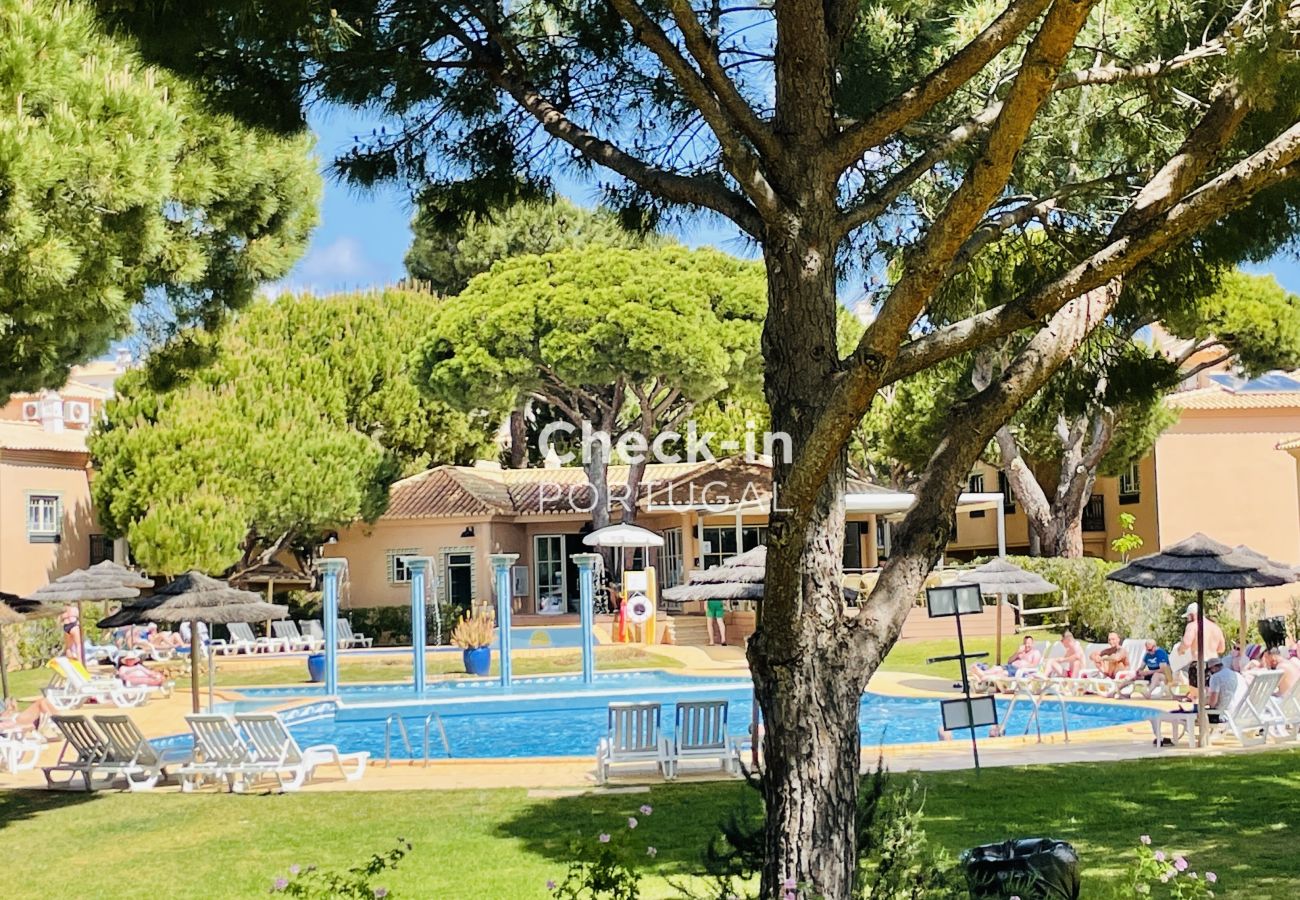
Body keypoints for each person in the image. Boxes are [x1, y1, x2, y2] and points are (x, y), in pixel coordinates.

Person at [973, 636, 1042, 684]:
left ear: (1032, 643)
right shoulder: (1021, 652)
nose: (1026, 645)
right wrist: (1017, 652)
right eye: (1025, 643)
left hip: (1019, 671)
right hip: (1010, 666)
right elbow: (1009, 661)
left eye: (1028, 643)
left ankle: (983, 678)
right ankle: (983, 674)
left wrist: (1023, 665)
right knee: (997, 668)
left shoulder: (1035, 652)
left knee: (1003, 673)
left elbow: (1034, 666)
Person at [1204, 656, 1247, 723]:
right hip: (1239, 713)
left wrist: (1203, 702)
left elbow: (1213, 703)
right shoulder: (1236, 675)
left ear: (1213, 668)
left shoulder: (1216, 677)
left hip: (1223, 715)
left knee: (1200, 713)